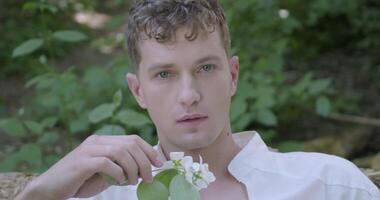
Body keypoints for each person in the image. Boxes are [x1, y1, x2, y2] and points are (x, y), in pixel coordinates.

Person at [16, 0, 379, 199]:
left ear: (233, 75)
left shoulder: (330, 184)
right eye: (164, 74)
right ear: (137, 91)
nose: (189, 96)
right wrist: (37, 195)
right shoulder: (104, 197)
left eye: (206, 68)